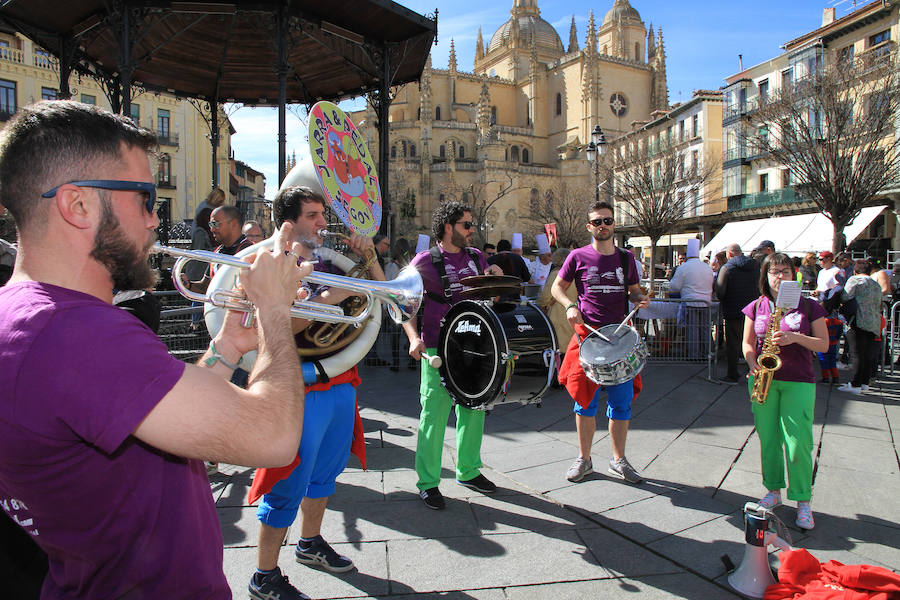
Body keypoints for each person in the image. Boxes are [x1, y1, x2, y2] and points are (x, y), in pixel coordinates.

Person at [0, 100, 308, 598]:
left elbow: (161, 413)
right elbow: (275, 438)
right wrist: (274, 310)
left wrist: (228, 345)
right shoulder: (78, 334)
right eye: (144, 199)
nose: (154, 221)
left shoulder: (28, 317)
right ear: (77, 205)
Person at [248, 185, 385, 600]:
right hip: (298, 388)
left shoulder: (328, 263)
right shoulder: (269, 263)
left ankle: (309, 543)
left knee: (325, 475)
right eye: (313, 215)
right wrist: (334, 296)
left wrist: (369, 258)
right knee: (286, 483)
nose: (324, 222)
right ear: (288, 223)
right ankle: (264, 576)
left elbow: (386, 295)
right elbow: (280, 324)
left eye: (323, 214)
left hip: (339, 381)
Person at [401, 201, 504, 510]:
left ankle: (468, 471)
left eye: (472, 225)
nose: (472, 230)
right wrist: (413, 338)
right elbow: (404, 302)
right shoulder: (425, 260)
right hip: (438, 347)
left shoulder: (476, 257)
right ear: (448, 227)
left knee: (474, 409)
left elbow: (491, 297)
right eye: (466, 225)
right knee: (433, 415)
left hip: (475, 345)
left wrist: (496, 278)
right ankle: (428, 483)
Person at [551, 201, 650, 485]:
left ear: (614, 224)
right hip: (588, 338)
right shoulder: (577, 256)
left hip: (619, 338)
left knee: (622, 404)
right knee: (584, 403)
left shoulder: (626, 258)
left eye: (607, 221)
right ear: (589, 226)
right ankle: (584, 459)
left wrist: (640, 299)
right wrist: (570, 305)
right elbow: (558, 287)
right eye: (597, 222)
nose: (602, 226)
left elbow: (633, 291)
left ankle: (619, 460)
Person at [742, 252, 828, 530]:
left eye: (785, 271)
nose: (780, 276)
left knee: (797, 444)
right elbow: (747, 343)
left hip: (798, 381)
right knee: (768, 439)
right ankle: (773, 489)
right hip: (764, 380)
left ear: (794, 275)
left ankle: (803, 500)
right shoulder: (757, 305)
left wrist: (795, 338)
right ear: (765, 276)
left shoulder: (809, 306)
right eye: (774, 272)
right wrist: (753, 363)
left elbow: (823, 344)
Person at [181, 204, 252, 295]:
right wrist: (188, 285)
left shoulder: (250, 251)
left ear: (233, 224)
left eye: (215, 224)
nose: (212, 229)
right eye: (210, 224)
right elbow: (206, 287)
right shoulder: (217, 252)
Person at [714, 243, 760, 383]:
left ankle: (732, 374)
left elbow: (720, 292)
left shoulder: (727, 268)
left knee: (733, 343)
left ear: (729, 254)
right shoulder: (755, 266)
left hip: (733, 310)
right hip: (753, 310)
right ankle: (756, 373)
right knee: (753, 341)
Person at [837, 259, 883, 395]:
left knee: (856, 353)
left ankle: (855, 384)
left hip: (858, 320)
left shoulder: (855, 280)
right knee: (867, 354)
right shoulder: (875, 284)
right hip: (873, 322)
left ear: (855, 271)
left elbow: (845, 297)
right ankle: (864, 382)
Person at [669, 238, 714, 360]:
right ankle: (707, 354)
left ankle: (694, 355)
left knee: (692, 329)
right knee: (705, 329)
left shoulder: (684, 267)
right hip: (706, 302)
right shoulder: (707, 267)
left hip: (690, 302)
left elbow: (674, 286)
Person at [537, 248, 575, 361]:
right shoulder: (576, 273)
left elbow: (546, 296)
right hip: (574, 314)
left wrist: (539, 304)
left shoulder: (556, 274)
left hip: (558, 315)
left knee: (560, 351)